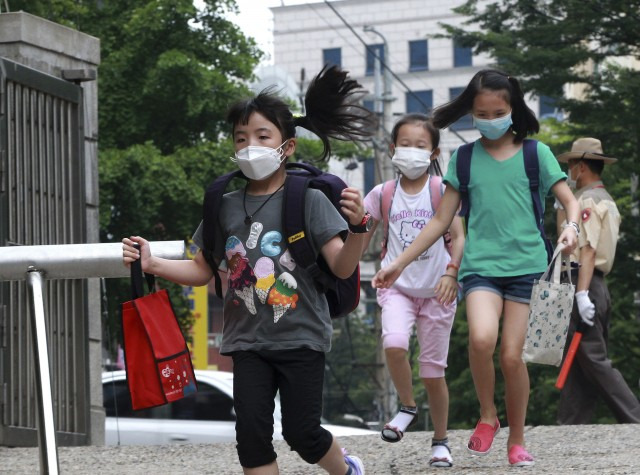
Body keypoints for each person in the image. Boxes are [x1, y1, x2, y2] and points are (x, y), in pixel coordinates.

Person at [123, 65, 375, 475]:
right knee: (252, 439)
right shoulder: (223, 205)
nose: (249, 147)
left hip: (302, 338)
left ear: (287, 147)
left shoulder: (307, 199)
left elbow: (342, 265)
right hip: (246, 342)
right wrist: (151, 262)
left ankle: (347, 470)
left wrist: (359, 229)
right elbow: (203, 269)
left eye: (262, 137)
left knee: (303, 433)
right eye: (241, 139)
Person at [371, 69, 580, 467]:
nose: (489, 119)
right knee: (482, 341)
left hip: (528, 266)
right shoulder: (463, 158)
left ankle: (516, 440)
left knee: (511, 357)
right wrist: (397, 263)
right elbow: (439, 221)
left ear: (513, 110)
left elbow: (568, 201)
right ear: (471, 112)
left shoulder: (537, 153)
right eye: (480, 113)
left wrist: (571, 227)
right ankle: (489, 415)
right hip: (480, 267)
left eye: (497, 111)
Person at [361, 113, 464, 468]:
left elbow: (460, 237)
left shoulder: (442, 191)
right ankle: (406, 406)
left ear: (433, 152)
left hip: (438, 290)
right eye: (405, 144)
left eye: (420, 146)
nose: (411, 151)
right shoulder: (382, 194)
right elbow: (359, 235)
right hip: (397, 287)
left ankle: (440, 441)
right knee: (393, 344)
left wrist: (452, 273)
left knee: (433, 373)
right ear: (392, 149)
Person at [555, 137, 640, 424]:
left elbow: (587, 250)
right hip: (593, 284)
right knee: (577, 359)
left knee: (592, 356)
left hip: (585, 282)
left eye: (570, 166)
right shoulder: (604, 198)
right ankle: (571, 425)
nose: (568, 172)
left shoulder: (588, 200)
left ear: (580, 167)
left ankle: (635, 417)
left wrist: (581, 295)